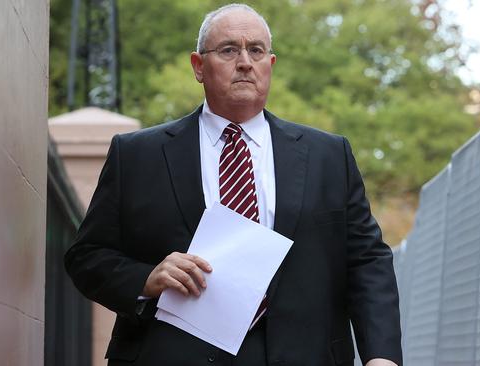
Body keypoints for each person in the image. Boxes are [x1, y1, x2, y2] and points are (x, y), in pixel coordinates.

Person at [65, 3, 402, 366]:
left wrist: (381, 356)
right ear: (198, 66)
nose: (245, 61)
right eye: (228, 50)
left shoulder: (329, 156)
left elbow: (368, 261)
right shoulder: (136, 155)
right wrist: (147, 278)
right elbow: (87, 257)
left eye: (256, 50)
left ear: (269, 65)